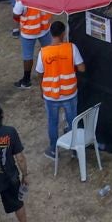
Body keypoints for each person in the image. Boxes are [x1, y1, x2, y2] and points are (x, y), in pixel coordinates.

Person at [33, 19, 83, 160]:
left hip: (50, 94)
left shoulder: (44, 52)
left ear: (50, 33)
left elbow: (39, 73)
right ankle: (74, 149)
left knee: (52, 122)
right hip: (69, 93)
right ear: (63, 33)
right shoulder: (71, 48)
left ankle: (53, 150)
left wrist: (42, 90)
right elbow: (82, 68)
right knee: (72, 121)